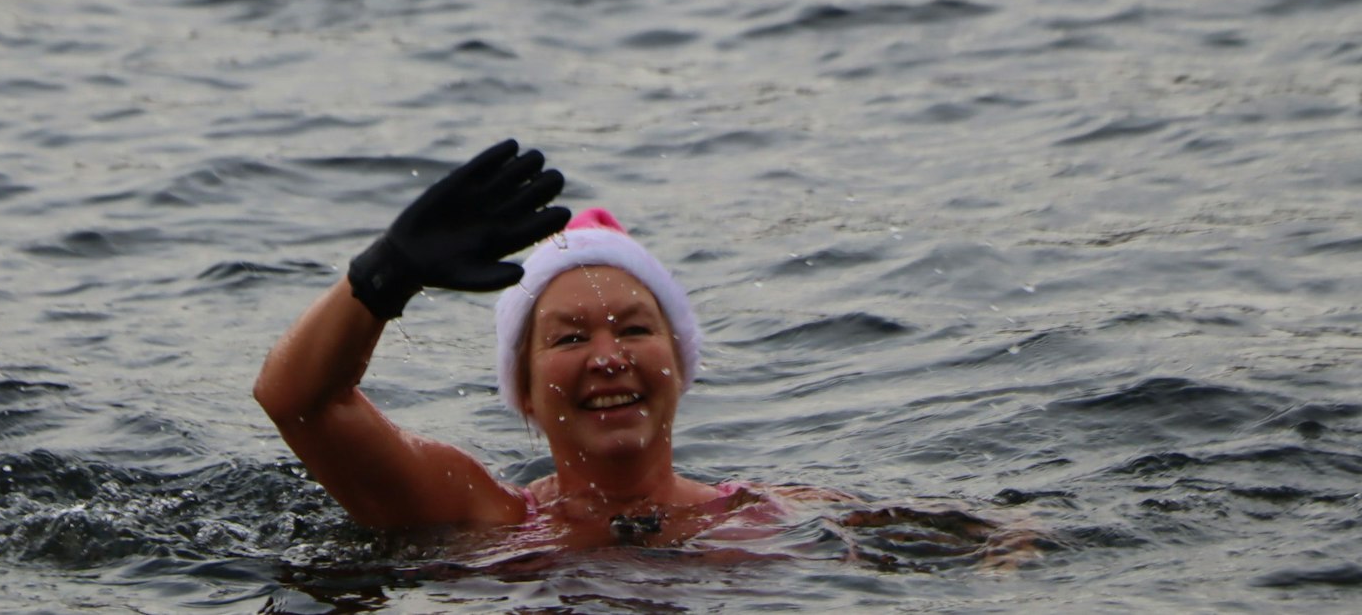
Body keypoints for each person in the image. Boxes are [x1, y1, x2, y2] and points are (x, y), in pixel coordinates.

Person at [255, 139, 1037, 561]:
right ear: (522, 389)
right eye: (568, 338)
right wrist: (385, 272)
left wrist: (1013, 549)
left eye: (633, 329)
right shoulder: (481, 519)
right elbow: (300, 401)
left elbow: (996, 536)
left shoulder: (765, 515)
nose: (606, 357)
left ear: (679, 364)